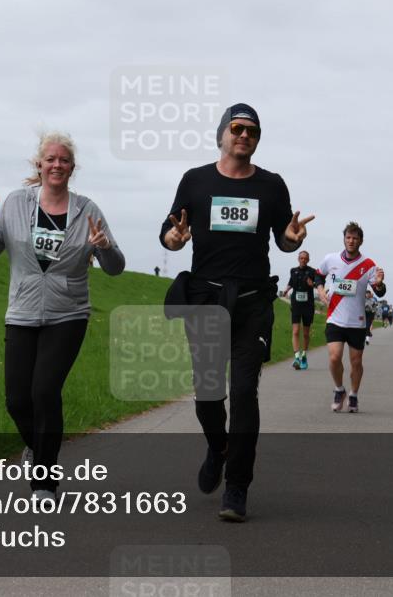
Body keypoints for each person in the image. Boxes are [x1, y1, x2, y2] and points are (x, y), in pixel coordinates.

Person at [160, 103, 312, 522]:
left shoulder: (272, 185)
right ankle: (218, 446)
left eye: (253, 131)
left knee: (244, 392)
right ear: (222, 134)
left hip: (251, 303)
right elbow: (170, 233)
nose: (245, 135)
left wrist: (290, 237)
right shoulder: (196, 180)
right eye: (238, 128)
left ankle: (237, 487)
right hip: (207, 301)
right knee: (209, 394)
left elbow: (285, 237)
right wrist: (174, 237)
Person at [0, 132, 125, 501]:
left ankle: (44, 479)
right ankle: (37, 447)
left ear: (71, 168)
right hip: (23, 311)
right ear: (39, 165)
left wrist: (104, 247)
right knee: (16, 400)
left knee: (44, 391)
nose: (56, 165)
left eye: (63, 160)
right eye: (50, 159)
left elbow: (115, 268)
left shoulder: (88, 210)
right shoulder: (14, 204)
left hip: (68, 313)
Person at [316, 222, 386, 414]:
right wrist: (320, 289)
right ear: (344, 239)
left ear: (360, 241)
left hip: (356, 321)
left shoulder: (368, 265)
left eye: (355, 238)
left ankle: (353, 394)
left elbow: (379, 292)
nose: (351, 241)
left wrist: (379, 284)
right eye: (348, 237)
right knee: (334, 357)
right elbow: (318, 275)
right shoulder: (331, 259)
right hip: (335, 318)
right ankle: (339, 390)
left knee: (356, 362)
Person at [281, 250, 318, 370]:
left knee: (306, 333)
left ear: (308, 260)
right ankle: (296, 357)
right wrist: (286, 290)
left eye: (305, 258)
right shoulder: (293, 270)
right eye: (301, 258)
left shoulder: (312, 271)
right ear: (298, 259)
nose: (303, 260)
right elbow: (291, 282)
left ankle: (304, 356)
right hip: (296, 304)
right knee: (296, 331)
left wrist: (312, 283)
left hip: (308, 305)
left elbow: (318, 285)